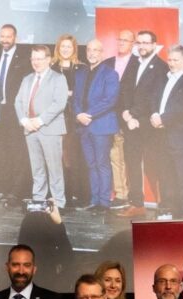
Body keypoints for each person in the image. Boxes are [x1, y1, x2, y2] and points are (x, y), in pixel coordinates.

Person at [149, 45, 183, 219]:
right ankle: (170, 213)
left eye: (175, 60)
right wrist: (154, 115)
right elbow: (156, 100)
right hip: (163, 138)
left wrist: (163, 119)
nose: (171, 63)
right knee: (167, 178)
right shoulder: (165, 78)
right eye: (170, 60)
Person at [117, 31, 167, 218]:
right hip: (130, 123)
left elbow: (154, 97)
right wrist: (125, 113)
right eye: (140, 43)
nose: (142, 46)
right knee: (132, 163)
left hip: (148, 125)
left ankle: (163, 205)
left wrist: (134, 116)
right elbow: (124, 89)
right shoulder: (134, 63)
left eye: (146, 43)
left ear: (154, 44)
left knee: (154, 166)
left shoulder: (161, 67)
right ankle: (137, 203)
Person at [16, 45, 70, 209]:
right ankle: (38, 201)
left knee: (54, 169)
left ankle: (58, 203)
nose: (36, 62)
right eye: (33, 59)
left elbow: (59, 103)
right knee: (37, 168)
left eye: (39, 59)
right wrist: (25, 121)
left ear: (48, 60)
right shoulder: (27, 79)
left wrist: (39, 121)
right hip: (30, 130)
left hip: (50, 129)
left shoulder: (58, 78)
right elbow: (18, 102)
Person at [73, 39, 119, 213]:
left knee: (102, 164)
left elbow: (110, 100)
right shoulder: (80, 73)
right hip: (83, 126)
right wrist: (78, 114)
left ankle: (104, 203)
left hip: (101, 126)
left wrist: (88, 115)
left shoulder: (110, 73)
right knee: (91, 164)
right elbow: (75, 99)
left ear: (102, 53)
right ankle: (94, 201)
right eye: (89, 50)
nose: (92, 53)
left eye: (96, 50)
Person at [0, 24, 31, 205]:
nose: (5, 40)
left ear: (15, 38)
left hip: (15, 111)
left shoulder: (24, 58)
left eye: (9, 36)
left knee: (17, 152)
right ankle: (2, 189)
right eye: (2, 36)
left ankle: (16, 192)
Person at [51, 34, 87, 207]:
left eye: (69, 47)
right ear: (58, 48)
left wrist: (70, 94)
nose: (66, 49)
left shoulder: (81, 68)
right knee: (55, 156)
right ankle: (57, 193)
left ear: (74, 49)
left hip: (73, 119)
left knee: (71, 156)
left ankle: (73, 193)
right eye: (63, 46)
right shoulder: (51, 67)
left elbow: (83, 93)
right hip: (54, 118)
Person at [107, 29, 138, 208]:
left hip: (131, 118)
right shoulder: (108, 63)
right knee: (115, 157)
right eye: (119, 39)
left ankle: (134, 196)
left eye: (126, 40)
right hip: (110, 118)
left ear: (133, 43)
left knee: (132, 159)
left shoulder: (138, 63)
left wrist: (130, 114)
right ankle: (121, 194)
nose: (121, 42)